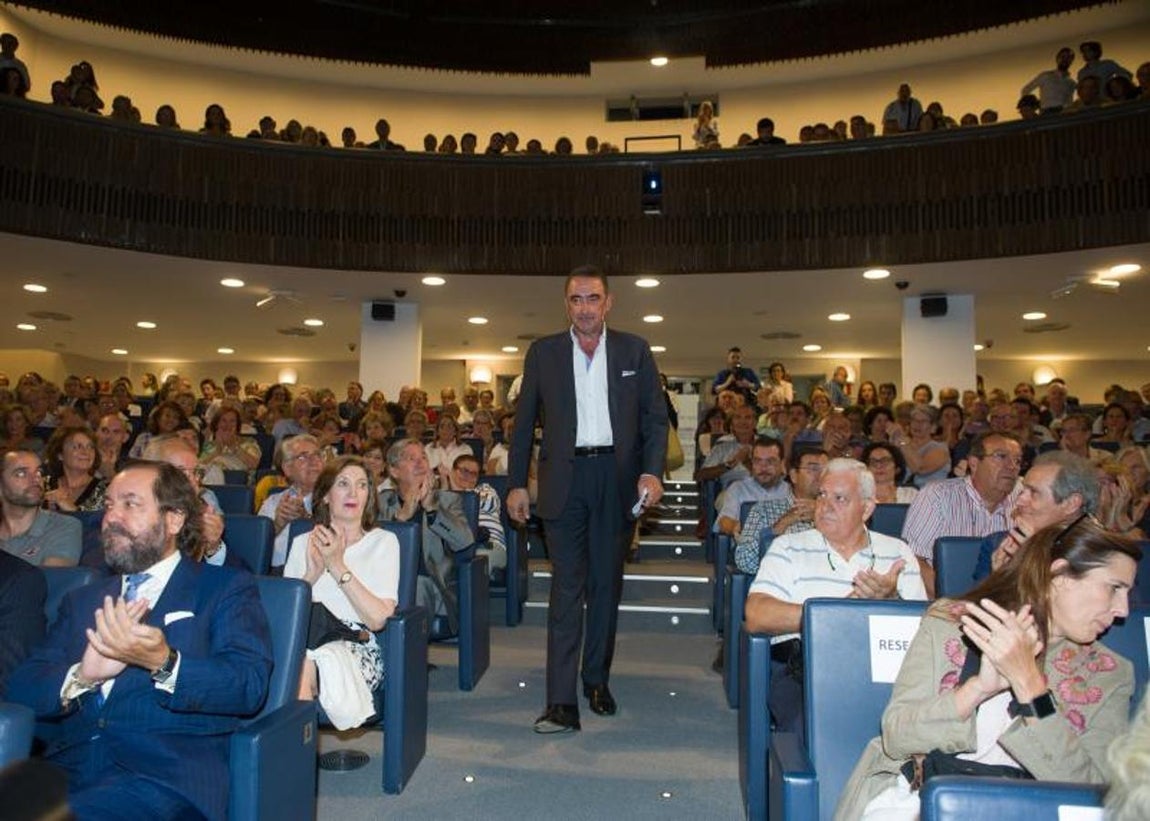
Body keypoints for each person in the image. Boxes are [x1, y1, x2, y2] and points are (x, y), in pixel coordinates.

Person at [6, 461, 273, 820]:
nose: (112, 517)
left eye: (130, 504)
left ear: (174, 520)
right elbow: (21, 687)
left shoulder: (223, 588)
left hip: (164, 777)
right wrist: (82, 676)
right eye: (110, 505)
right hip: (68, 768)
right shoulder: (84, 599)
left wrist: (165, 662)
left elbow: (248, 684)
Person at [835, 518, 1140, 820]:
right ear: (1059, 575)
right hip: (923, 799)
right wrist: (976, 689)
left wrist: (1032, 688)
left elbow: (1096, 794)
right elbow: (897, 735)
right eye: (1114, 588)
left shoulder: (1108, 673)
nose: (1123, 609)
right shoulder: (951, 623)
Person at [507, 266, 667, 734]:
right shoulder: (543, 353)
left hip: (616, 481)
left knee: (604, 588)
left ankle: (596, 679)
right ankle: (560, 701)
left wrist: (651, 471)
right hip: (564, 481)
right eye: (576, 299)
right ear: (566, 304)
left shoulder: (635, 349)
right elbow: (522, 426)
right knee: (565, 590)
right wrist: (517, 481)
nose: (585, 308)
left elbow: (655, 420)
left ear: (608, 302)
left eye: (592, 298)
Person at [744, 459, 927, 741]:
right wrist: (837, 616)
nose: (825, 506)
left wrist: (891, 600)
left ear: (866, 508)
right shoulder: (789, 547)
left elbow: (924, 629)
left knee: (928, 722)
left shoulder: (897, 552)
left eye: (839, 498)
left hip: (886, 671)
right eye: (821, 495)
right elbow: (756, 615)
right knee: (814, 726)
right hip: (809, 670)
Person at [284, 456, 398, 729]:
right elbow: (286, 617)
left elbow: (378, 619)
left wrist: (336, 565)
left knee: (302, 664)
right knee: (301, 657)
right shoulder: (303, 543)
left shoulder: (384, 542)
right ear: (325, 496)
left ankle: (292, 763)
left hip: (358, 646)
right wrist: (311, 575)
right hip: (304, 639)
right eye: (343, 484)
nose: (353, 493)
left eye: (361, 486)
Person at [972, 450, 1099, 581]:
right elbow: (979, 600)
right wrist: (999, 578)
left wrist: (1034, 559)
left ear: (1071, 504)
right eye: (1022, 491)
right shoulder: (1000, 544)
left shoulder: (1096, 553)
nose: (1020, 500)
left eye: (1033, 492)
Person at [0, 450, 81, 567]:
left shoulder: (64, 526)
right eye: (21, 473)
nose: (35, 479)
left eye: (38, 472)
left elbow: (50, 581)